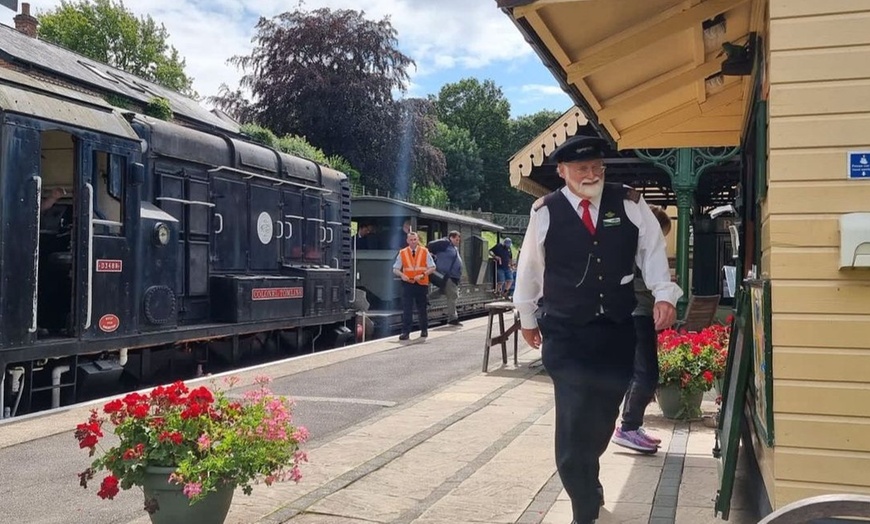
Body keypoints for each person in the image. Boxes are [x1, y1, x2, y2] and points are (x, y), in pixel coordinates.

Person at [513, 135, 682, 524]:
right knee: (573, 424)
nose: (590, 175)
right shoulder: (546, 210)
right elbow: (530, 268)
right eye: (581, 169)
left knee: (604, 418)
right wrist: (526, 317)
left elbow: (652, 250)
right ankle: (584, 511)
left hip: (617, 330)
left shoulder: (627, 202)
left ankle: (588, 478)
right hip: (567, 333)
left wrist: (664, 294)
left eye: (596, 168)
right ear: (563, 173)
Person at [611, 206, 673, 454]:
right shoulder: (639, 250)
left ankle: (631, 426)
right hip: (638, 313)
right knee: (647, 374)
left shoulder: (629, 246)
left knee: (639, 373)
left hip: (636, 312)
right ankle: (628, 428)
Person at [392, 231, 436, 341]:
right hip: (408, 283)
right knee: (407, 308)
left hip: (421, 283)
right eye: (411, 240)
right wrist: (402, 275)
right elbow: (395, 269)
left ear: (417, 240)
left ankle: (424, 330)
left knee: (422, 308)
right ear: (407, 241)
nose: (413, 242)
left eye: (415, 239)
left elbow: (432, 267)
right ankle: (405, 332)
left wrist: (423, 275)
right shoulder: (402, 253)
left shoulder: (424, 251)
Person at [428, 231, 464, 326]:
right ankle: (453, 318)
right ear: (451, 237)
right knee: (453, 295)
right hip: (447, 275)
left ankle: (425, 298)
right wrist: (430, 254)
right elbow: (429, 246)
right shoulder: (444, 243)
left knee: (443, 291)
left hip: (453, 276)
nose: (458, 241)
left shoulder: (453, 247)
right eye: (456, 239)